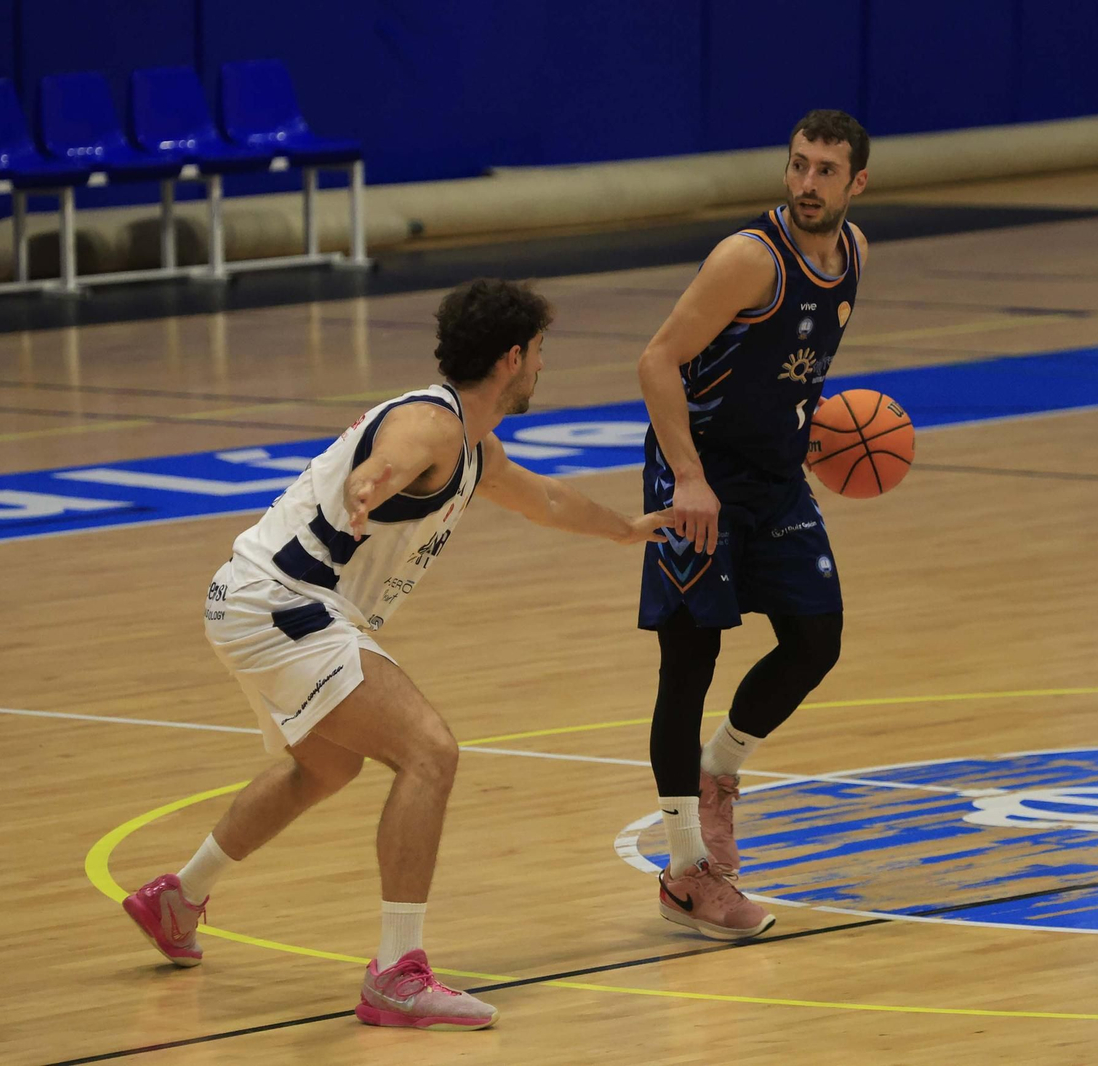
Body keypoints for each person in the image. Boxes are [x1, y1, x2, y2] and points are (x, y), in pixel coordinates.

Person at [122, 278, 671, 1030]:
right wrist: (368, 486)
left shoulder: (473, 446)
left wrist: (626, 530)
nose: (543, 365)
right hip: (282, 604)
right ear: (512, 358)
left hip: (260, 602)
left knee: (326, 766)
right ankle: (396, 973)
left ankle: (179, 899)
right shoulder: (431, 424)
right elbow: (390, 459)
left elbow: (544, 499)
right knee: (429, 752)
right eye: (540, 351)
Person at [636, 110, 870, 939]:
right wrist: (689, 477)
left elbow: (789, 368)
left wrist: (807, 433)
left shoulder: (855, 253)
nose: (807, 183)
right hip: (696, 477)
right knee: (689, 664)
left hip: (773, 479)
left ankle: (720, 770)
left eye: (825, 170)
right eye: (798, 165)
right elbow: (656, 361)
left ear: (856, 183)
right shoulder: (749, 259)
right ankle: (685, 873)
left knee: (816, 640)